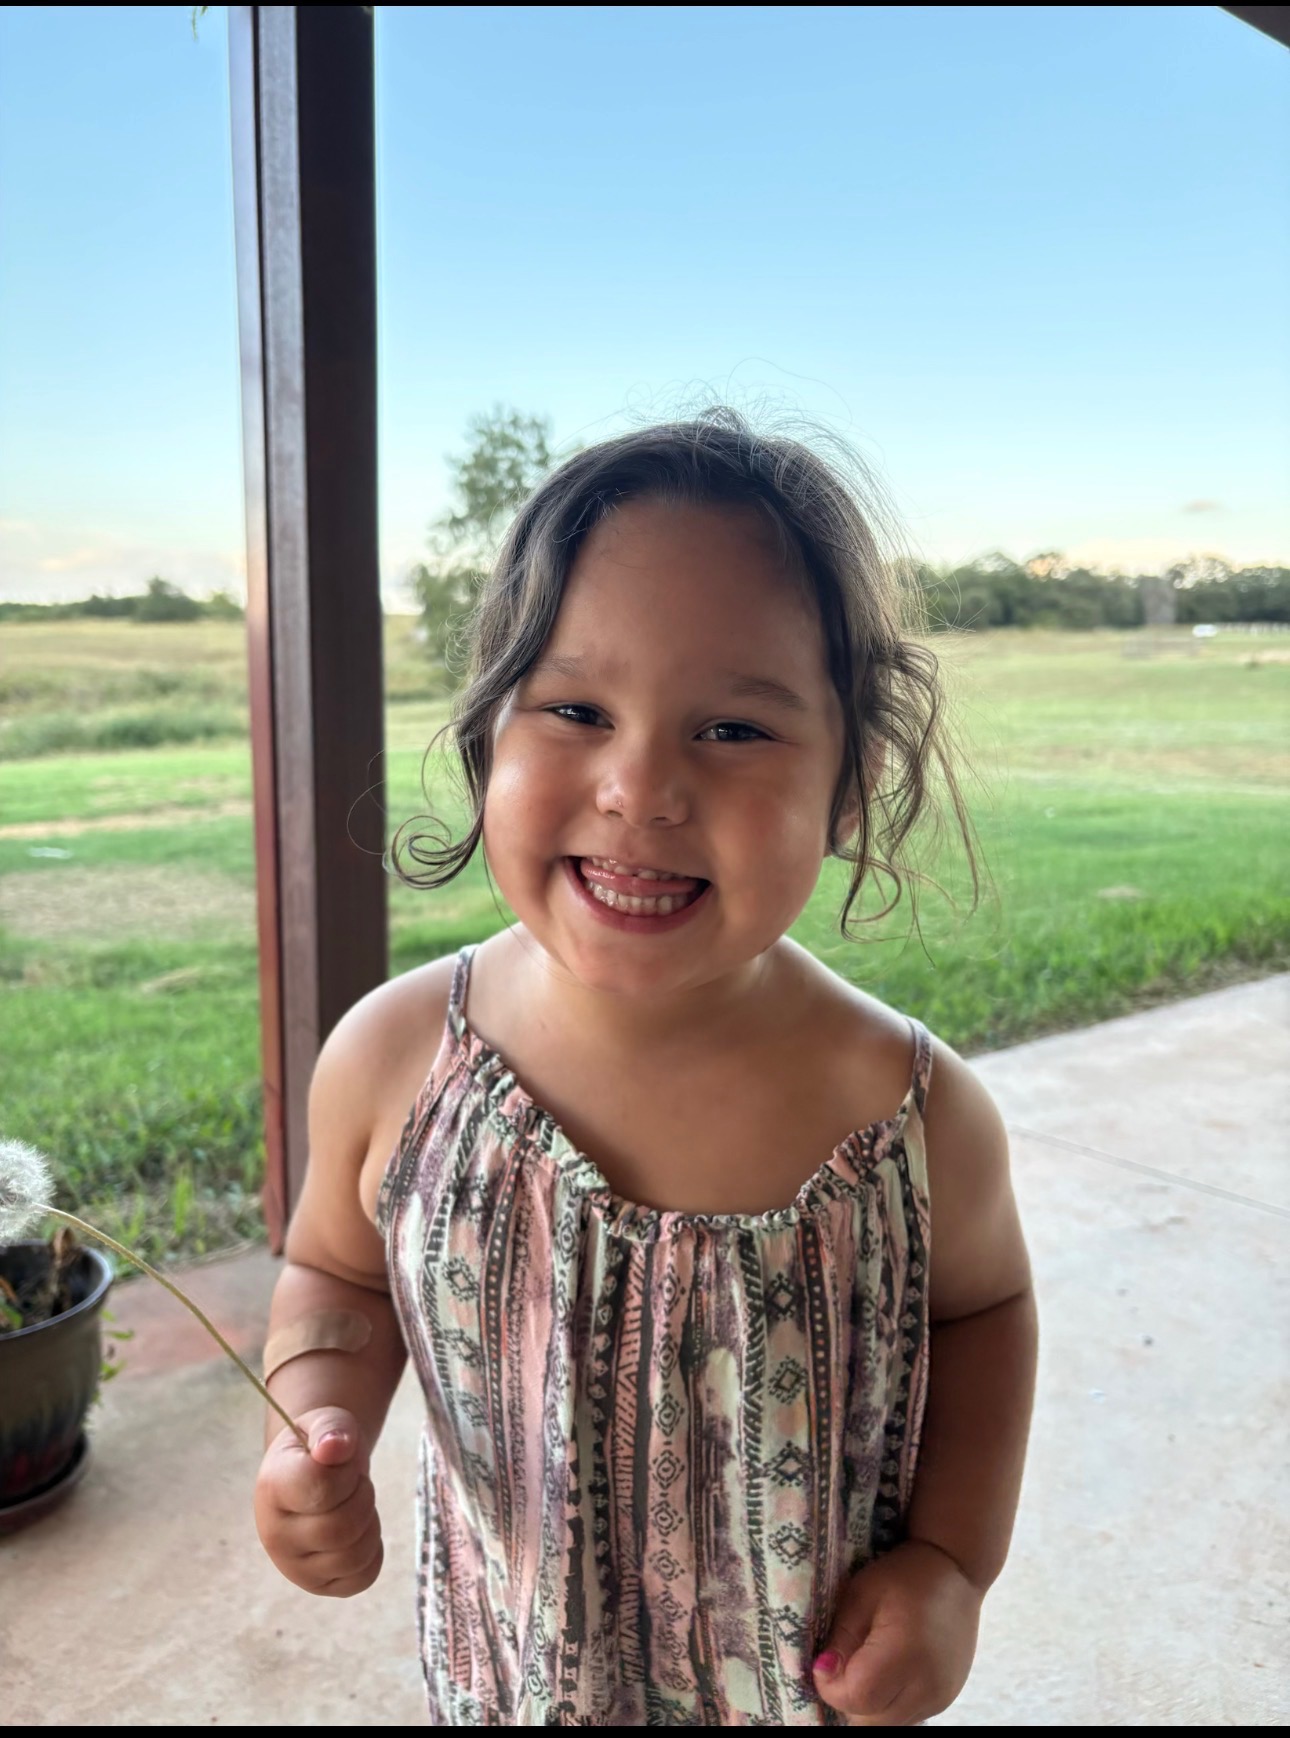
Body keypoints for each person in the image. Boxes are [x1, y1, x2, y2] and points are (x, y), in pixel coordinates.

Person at [252, 409, 1038, 1726]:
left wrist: (952, 1564)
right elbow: (335, 1273)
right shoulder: (396, 1060)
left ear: (849, 787)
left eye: (732, 729)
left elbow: (983, 1313)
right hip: (510, 1684)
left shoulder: (908, 1115)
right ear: (486, 733)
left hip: (803, 1693)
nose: (639, 787)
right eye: (574, 709)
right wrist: (312, 1423)